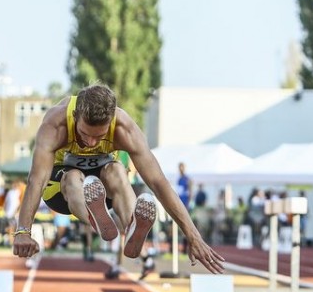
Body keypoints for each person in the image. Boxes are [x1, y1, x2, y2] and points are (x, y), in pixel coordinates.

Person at [12, 83, 224, 272]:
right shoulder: (55, 124)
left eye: (100, 136)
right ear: (76, 116)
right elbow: (36, 180)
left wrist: (194, 236)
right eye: (85, 134)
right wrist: (23, 230)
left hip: (102, 187)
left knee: (117, 171)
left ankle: (131, 226)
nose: (92, 143)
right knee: (74, 177)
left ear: (111, 122)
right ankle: (93, 217)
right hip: (61, 187)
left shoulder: (123, 128)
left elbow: (158, 182)